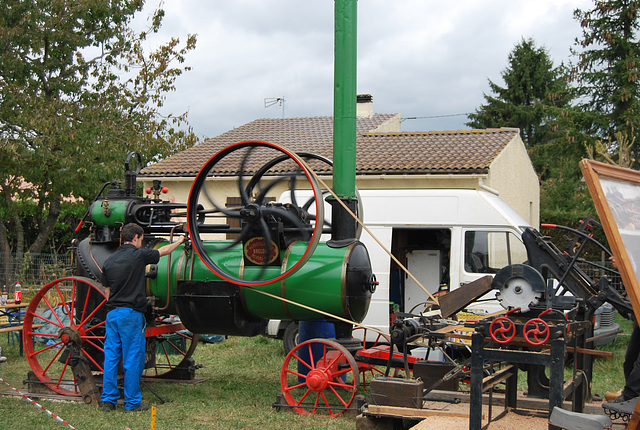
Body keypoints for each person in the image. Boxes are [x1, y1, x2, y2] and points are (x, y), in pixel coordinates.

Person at [100, 223, 185, 412]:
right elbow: (164, 251)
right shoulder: (138, 255)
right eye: (141, 239)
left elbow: (107, 292)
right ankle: (132, 403)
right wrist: (179, 240)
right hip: (131, 314)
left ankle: (108, 401)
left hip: (112, 314)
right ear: (137, 237)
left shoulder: (109, 261)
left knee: (112, 357)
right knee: (132, 359)